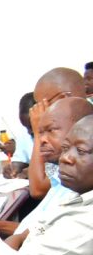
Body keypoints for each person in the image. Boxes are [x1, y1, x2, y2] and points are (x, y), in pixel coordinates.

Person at [14, 114, 93, 255]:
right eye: (65, 148)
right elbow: (33, 231)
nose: (66, 158)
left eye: (80, 151)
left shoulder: (87, 225)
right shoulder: (77, 194)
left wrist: (12, 242)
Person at [0, 98, 93, 238]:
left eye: (51, 130)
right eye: (38, 133)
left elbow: (37, 191)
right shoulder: (61, 177)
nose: (41, 140)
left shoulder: (75, 183)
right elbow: (40, 228)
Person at [28, 67, 85, 199]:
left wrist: (38, 131)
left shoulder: (85, 132)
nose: (38, 111)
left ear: (64, 98)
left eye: (41, 104)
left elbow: (38, 189)